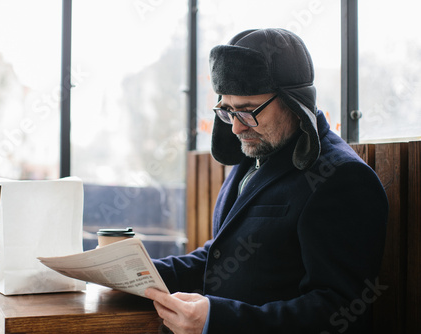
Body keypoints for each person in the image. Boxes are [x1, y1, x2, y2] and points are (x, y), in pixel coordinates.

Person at [145, 28, 388, 334]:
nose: (235, 128)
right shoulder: (258, 150)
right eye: (228, 110)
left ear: (293, 101)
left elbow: (339, 310)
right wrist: (138, 273)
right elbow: (222, 256)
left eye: (247, 111)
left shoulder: (342, 178)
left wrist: (216, 321)